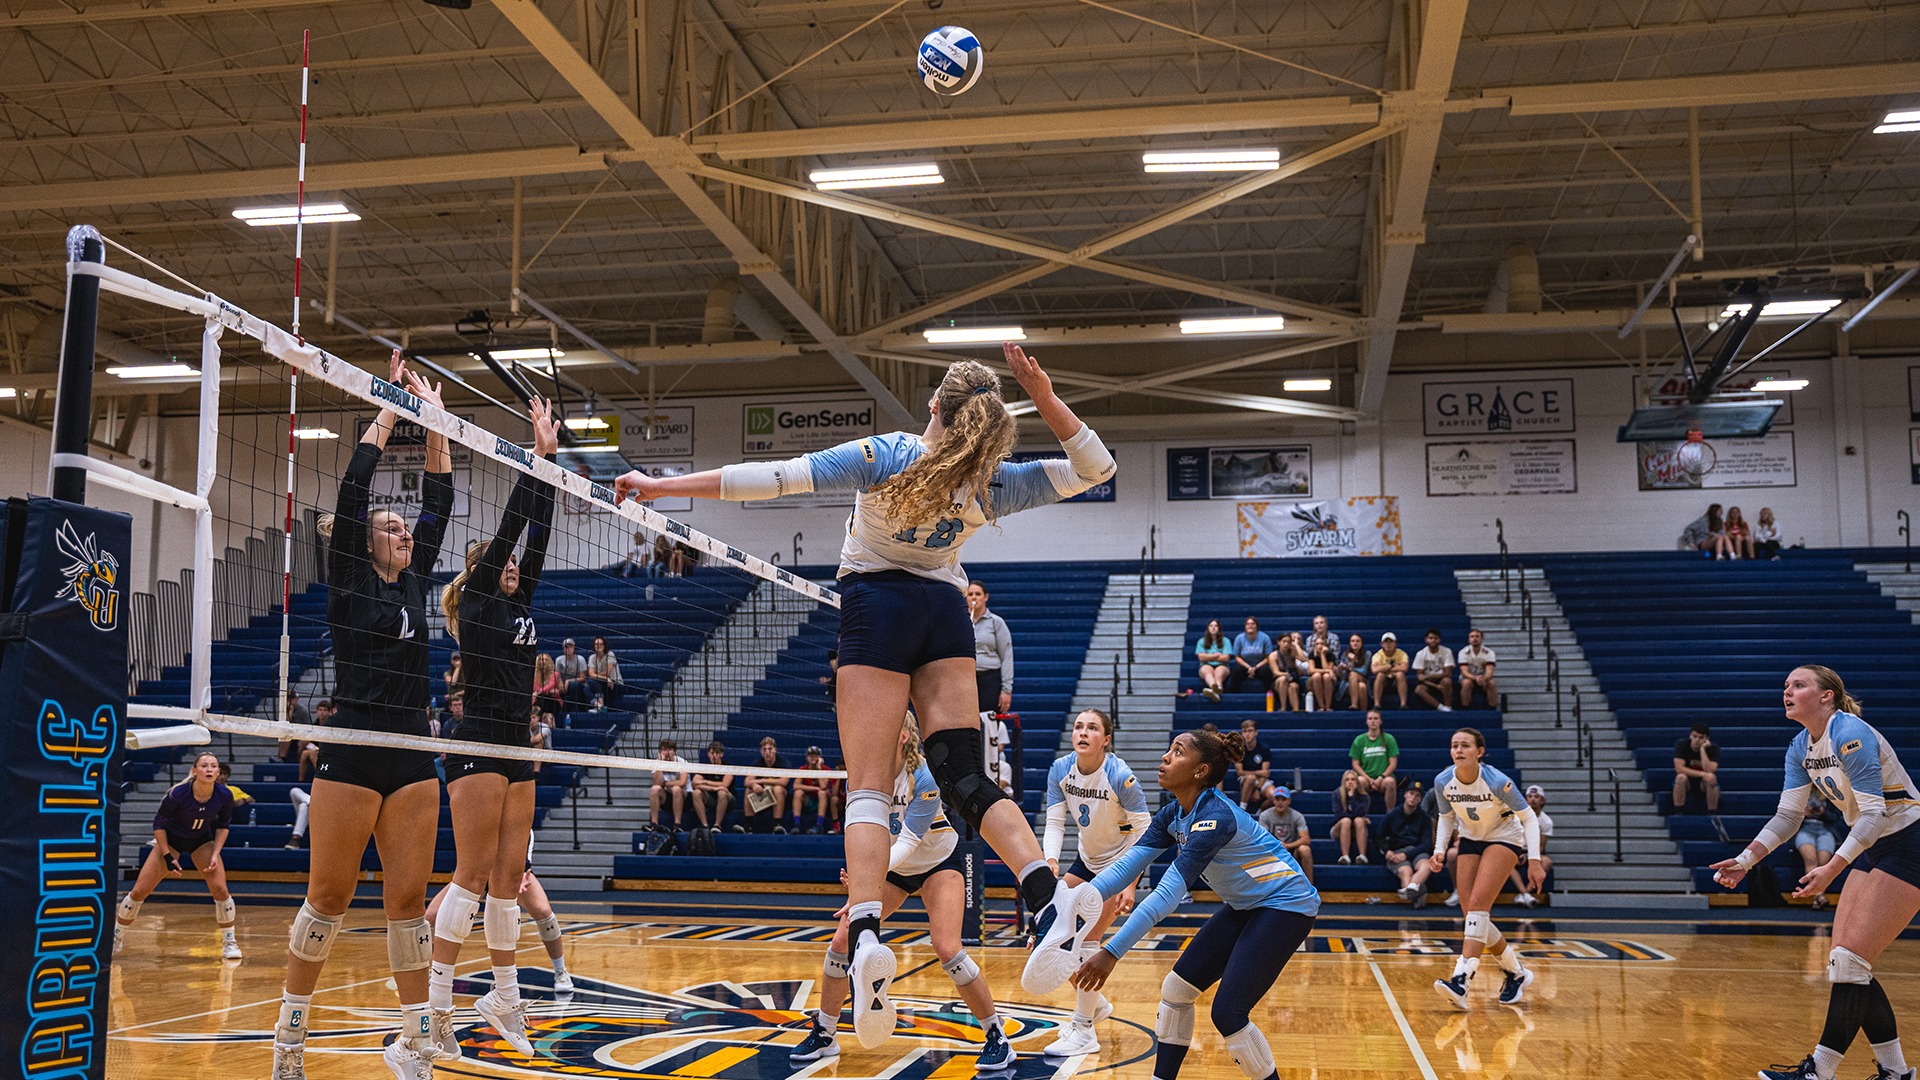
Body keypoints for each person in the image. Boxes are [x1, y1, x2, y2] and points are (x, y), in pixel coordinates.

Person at [614, 346, 1113, 1048]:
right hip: (944, 612)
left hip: (875, 610)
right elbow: (1098, 468)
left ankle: (871, 930)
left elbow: (773, 478)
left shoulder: (888, 454)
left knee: (869, 792)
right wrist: (1046, 390)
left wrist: (662, 489)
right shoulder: (990, 482)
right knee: (966, 778)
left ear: (934, 407)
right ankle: (1046, 896)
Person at [272, 351, 451, 1079]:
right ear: (363, 541)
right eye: (387, 525)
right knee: (330, 897)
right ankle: (289, 1037)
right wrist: (389, 408)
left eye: (402, 525)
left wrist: (434, 421)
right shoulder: (347, 577)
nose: (401, 529)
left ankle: (414, 1043)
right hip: (350, 748)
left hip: (411, 753)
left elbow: (438, 498)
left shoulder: (414, 582)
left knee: (408, 900)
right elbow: (352, 490)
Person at [1043, 729, 1320, 1080]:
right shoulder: (1174, 813)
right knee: (1176, 991)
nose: (1165, 757)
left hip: (1287, 906)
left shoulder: (1215, 818)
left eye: (1177, 751)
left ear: (1200, 771)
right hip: (1247, 904)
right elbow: (1125, 868)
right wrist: (1068, 906)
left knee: (1228, 1013)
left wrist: (1111, 952)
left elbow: (1165, 896)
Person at [423, 395, 559, 1062]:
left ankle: (503, 997)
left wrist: (552, 467)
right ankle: (437, 1013)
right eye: (498, 562)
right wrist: (532, 458)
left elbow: (538, 534)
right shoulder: (478, 602)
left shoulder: (520, 598)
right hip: (477, 740)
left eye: (510, 566)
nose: (510, 566)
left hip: (518, 743)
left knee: (509, 876)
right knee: (471, 874)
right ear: (479, 572)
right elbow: (511, 526)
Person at [1712, 666, 1920, 1080]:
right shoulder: (1799, 747)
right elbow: (1788, 816)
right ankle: (1897, 1073)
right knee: (1846, 963)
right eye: (1786, 686)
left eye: (1798, 685)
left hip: (1909, 840)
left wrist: (1831, 868)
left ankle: (1819, 1073)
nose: (1787, 691)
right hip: (1873, 842)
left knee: (1851, 960)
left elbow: (1877, 812)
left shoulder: (1849, 733)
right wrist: (1747, 859)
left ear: (1827, 696)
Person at [790, 714, 1017, 1071]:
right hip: (893, 868)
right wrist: (863, 879)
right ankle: (825, 1031)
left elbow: (908, 843)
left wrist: (867, 881)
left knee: (947, 947)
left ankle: (995, 1034)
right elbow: (862, 834)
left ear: (904, 736)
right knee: (841, 942)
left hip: (938, 862)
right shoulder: (865, 778)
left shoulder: (923, 778)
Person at [1038, 709, 1151, 1056]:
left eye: (1092, 728)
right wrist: (1051, 862)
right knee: (1048, 937)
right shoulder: (1061, 769)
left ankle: (1084, 1030)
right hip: (1086, 861)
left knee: (1086, 941)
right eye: (1078, 727)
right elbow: (1055, 824)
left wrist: (1130, 884)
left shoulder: (1120, 775)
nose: (1083, 733)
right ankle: (1095, 1004)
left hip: (1119, 864)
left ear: (1106, 739)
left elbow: (1146, 832)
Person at [1428, 727, 1545, 1009]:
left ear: (1479, 752)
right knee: (1472, 916)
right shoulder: (1443, 781)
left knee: (1479, 906)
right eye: (1454, 745)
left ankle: (1461, 979)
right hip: (1471, 837)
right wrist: (1439, 850)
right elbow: (1446, 818)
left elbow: (1529, 819)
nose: (1458, 750)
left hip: (1504, 837)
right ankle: (1515, 973)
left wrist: (1535, 860)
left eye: (1465, 745)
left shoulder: (1497, 781)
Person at [114, 751, 241, 961]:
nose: (209, 769)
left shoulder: (224, 795)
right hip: (171, 839)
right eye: (204, 766)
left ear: (218, 771)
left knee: (220, 888)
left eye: (213, 766)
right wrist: (166, 856)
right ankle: (116, 937)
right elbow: (159, 825)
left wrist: (215, 854)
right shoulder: (178, 794)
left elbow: (223, 826)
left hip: (201, 840)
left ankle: (229, 942)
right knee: (140, 890)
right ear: (194, 771)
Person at [1381, 783, 1435, 906]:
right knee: (1405, 871)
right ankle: (1418, 892)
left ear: (1420, 799)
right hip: (1397, 851)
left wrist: (1407, 854)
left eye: (1417, 796)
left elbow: (1426, 844)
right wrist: (1386, 851)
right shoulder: (1393, 815)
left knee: (1426, 866)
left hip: (1417, 851)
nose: (1413, 798)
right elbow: (1378, 837)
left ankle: (1411, 890)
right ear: (1405, 794)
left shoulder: (1425, 818)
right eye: (1411, 793)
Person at [967, 580, 1014, 716]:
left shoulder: (996, 622)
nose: (974, 597)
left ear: (985, 597)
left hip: (989, 679)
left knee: (988, 723)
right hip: (967, 679)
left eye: (978, 594)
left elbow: (1006, 656)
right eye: (970, 594)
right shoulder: (961, 622)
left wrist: (1006, 690)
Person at [1795, 792, 1845, 910]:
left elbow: (1835, 817)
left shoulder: (1830, 793)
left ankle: (1817, 898)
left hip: (1825, 830)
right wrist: (1803, 814)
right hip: (1805, 829)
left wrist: (1823, 812)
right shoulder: (1803, 792)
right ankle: (1819, 896)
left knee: (1824, 863)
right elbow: (1789, 817)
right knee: (1811, 860)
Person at [1506, 785, 1553, 908]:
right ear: (1526, 799)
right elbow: (1509, 837)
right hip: (1516, 848)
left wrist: (1529, 855)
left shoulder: (1546, 821)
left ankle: (1525, 893)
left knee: (1547, 862)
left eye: (1536, 797)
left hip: (1533, 851)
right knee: (1505, 859)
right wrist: (1517, 853)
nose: (1533, 799)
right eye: (1530, 796)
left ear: (1542, 800)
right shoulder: (1516, 816)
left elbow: (1541, 846)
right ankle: (1525, 894)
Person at [1255, 785, 1314, 884]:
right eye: (1277, 799)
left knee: (1305, 849)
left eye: (1283, 799)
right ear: (1273, 801)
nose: (1280, 802)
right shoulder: (1265, 815)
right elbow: (1262, 838)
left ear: (1289, 801)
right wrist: (1277, 845)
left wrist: (1288, 845)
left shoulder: (1297, 816)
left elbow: (1306, 839)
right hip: (1273, 850)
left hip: (1292, 850)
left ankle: (1309, 886)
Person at [1349, 708, 1401, 807]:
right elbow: (1355, 764)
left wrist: (1381, 777)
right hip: (1366, 777)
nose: (1373, 721)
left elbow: (1393, 763)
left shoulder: (1389, 739)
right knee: (1359, 781)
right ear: (1366, 721)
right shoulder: (1359, 740)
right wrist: (1369, 779)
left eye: (1376, 718)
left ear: (1380, 721)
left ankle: (1390, 815)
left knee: (1390, 782)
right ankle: (1361, 814)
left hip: (1383, 778)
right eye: (1370, 718)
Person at [690, 740, 736, 838]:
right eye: (712, 753)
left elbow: (724, 784)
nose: (714, 756)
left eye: (717, 753)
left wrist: (705, 782)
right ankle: (705, 825)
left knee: (722, 792)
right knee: (696, 793)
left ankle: (717, 825)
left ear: (721, 754)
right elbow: (694, 783)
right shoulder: (705, 767)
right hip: (711, 798)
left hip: (728, 800)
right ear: (708, 754)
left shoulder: (728, 767)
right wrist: (713, 788)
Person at [744, 736, 790, 834]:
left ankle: (777, 825)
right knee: (749, 790)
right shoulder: (758, 763)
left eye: (770, 749)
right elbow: (747, 781)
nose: (767, 752)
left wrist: (761, 781)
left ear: (775, 750)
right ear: (761, 751)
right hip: (763, 796)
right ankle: (749, 825)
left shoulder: (783, 762)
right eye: (764, 749)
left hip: (782, 797)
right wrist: (754, 785)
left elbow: (784, 782)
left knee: (778, 789)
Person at [1673, 721, 1721, 814]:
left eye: (1700, 737)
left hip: (1703, 783)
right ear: (1690, 735)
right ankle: (1678, 812)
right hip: (1688, 781)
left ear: (1706, 739)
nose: (1697, 740)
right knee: (1680, 777)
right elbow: (1679, 768)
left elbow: (1710, 770)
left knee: (1711, 778)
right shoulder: (1681, 745)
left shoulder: (1714, 748)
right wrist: (1702, 774)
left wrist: (1702, 750)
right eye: (1694, 736)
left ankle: (1713, 813)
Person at [1227, 616, 1278, 696]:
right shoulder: (1239, 638)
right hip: (1245, 666)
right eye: (1248, 624)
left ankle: (1270, 696)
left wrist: (1255, 667)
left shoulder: (1265, 638)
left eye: (1252, 624)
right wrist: (1249, 667)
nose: (1250, 626)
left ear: (1256, 626)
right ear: (1245, 626)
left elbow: (1268, 657)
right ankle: (1233, 695)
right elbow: (1237, 657)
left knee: (1267, 672)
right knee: (1236, 672)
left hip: (1260, 666)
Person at [649, 738, 691, 833]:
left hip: (684, 797)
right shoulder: (657, 763)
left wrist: (668, 784)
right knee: (655, 789)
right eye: (664, 750)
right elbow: (658, 783)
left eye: (670, 750)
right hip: (667, 797)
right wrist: (660, 764)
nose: (667, 753)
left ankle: (677, 825)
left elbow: (682, 783)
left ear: (674, 751)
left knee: (676, 789)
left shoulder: (682, 762)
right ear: (660, 752)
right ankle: (654, 824)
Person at [1332, 769, 1372, 865]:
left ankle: (1362, 855)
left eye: (1353, 779)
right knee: (1346, 821)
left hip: (1356, 828)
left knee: (1358, 820)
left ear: (1357, 782)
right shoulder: (1336, 794)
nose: (1350, 782)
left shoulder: (1364, 796)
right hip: (1340, 828)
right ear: (1343, 782)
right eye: (1347, 779)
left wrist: (1352, 797)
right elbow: (1339, 815)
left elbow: (1361, 813)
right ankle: (1345, 856)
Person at [793, 745, 836, 833]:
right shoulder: (803, 769)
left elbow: (823, 786)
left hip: (821, 800)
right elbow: (796, 786)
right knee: (798, 793)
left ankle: (819, 825)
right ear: (807, 758)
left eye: (816, 756)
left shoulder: (825, 769)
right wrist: (815, 788)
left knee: (822, 793)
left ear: (820, 758)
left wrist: (819, 768)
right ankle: (796, 825)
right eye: (810, 756)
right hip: (808, 801)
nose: (813, 758)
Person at [1412, 628, 1456, 712]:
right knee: (1419, 689)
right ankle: (1441, 707)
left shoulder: (1447, 651)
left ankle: (1448, 706)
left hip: (1440, 679)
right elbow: (1420, 677)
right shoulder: (1421, 654)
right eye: (1431, 638)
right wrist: (1435, 686)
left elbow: (1448, 673)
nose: (1433, 640)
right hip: (1428, 683)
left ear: (1439, 640)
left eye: (1435, 638)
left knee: (1447, 681)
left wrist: (1428, 676)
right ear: (1426, 640)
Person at [1456, 628, 1499, 710]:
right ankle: (1465, 708)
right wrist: (1475, 678)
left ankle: (1492, 708)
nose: (1474, 639)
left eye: (1477, 636)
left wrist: (1484, 678)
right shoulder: (1463, 652)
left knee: (1491, 683)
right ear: (1469, 639)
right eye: (1472, 637)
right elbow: (1464, 671)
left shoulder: (1489, 652)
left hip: (1484, 677)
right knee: (1466, 683)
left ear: (1481, 639)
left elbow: (1490, 671)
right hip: (1468, 677)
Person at [1234, 718, 1272, 808]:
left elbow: (1265, 773)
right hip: (1245, 779)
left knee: (1274, 795)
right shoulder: (1238, 750)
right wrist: (1258, 772)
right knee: (1251, 778)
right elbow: (1240, 772)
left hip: (1261, 780)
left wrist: (1258, 789)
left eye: (1250, 731)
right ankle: (1242, 809)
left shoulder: (1264, 749)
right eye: (1244, 731)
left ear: (1256, 732)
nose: (1247, 734)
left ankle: (1261, 812)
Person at [1194, 619, 1231, 701]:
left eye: (1216, 626)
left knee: (1219, 671)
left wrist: (1208, 656)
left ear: (1219, 628)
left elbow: (1226, 658)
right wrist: (1216, 655)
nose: (1213, 628)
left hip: (1222, 665)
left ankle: (1216, 688)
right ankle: (1216, 689)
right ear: (1208, 628)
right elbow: (1201, 658)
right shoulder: (1201, 641)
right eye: (1211, 626)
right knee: (1206, 670)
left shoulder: (1226, 641)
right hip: (1206, 665)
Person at [1371, 632, 1410, 709]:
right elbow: (1374, 670)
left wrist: (1386, 667)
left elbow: (1404, 668)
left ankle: (1403, 704)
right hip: (1384, 680)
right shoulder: (1378, 655)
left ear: (1395, 643)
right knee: (1380, 675)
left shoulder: (1401, 654)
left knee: (1400, 674)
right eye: (1386, 642)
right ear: (1382, 644)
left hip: (1396, 679)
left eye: (1391, 642)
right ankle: (1376, 704)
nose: (1388, 645)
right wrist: (1393, 666)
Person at [585, 636, 624, 708]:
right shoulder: (592, 657)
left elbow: (607, 673)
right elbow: (591, 674)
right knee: (586, 688)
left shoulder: (610, 654)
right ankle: (600, 705)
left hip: (614, 684)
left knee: (592, 683)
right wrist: (605, 678)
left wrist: (596, 675)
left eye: (601, 644)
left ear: (605, 645)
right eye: (596, 644)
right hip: (602, 684)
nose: (598, 646)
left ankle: (599, 706)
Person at [1305, 632, 1338, 712]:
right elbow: (1311, 670)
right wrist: (1327, 671)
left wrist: (1323, 655)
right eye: (1317, 644)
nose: (1319, 646)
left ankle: (1328, 706)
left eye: (1321, 644)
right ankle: (1321, 706)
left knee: (1326, 676)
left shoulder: (1330, 655)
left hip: (1328, 680)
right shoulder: (1312, 654)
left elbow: (1327, 667)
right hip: (1313, 681)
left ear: (1325, 645)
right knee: (1317, 675)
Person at [1338, 634, 1370, 711]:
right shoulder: (1345, 655)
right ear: (1350, 643)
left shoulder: (1367, 654)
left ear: (1362, 643)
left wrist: (1350, 667)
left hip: (1363, 679)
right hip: (1348, 683)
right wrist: (1340, 669)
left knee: (1353, 674)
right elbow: (1343, 676)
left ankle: (1354, 704)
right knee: (1362, 686)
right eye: (1352, 641)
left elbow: (1364, 671)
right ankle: (1363, 712)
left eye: (1357, 641)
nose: (1355, 643)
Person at [555, 637, 590, 706]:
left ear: (574, 648)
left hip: (579, 684)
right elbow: (557, 675)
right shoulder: (559, 660)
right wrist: (561, 684)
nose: (568, 649)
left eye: (570, 647)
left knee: (574, 685)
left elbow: (583, 678)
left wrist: (568, 681)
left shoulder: (580, 659)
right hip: (564, 684)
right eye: (566, 647)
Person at [532, 652, 563, 717]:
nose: (544, 662)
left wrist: (538, 692)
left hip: (553, 700)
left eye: (546, 660)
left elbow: (551, 685)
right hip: (540, 699)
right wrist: (547, 692)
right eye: (541, 659)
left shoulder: (555, 674)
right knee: (542, 698)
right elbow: (535, 687)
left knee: (542, 698)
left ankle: (536, 715)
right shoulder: (535, 675)